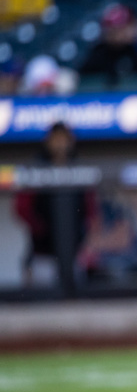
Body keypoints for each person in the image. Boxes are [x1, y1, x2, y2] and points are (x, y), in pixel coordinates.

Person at [14, 122, 98, 290]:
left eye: (63, 139)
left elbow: (91, 209)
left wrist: (84, 235)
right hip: (43, 254)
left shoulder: (79, 167)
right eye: (56, 139)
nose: (60, 144)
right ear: (48, 141)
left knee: (74, 306)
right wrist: (43, 228)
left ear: (70, 141)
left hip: (74, 254)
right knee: (41, 305)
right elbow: (21, 208)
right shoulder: (36, 168)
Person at [77, 3, 137, 87]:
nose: (116, 33)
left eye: (122, 28)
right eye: (113, 29)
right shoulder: (98, 53)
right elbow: (82, 81)